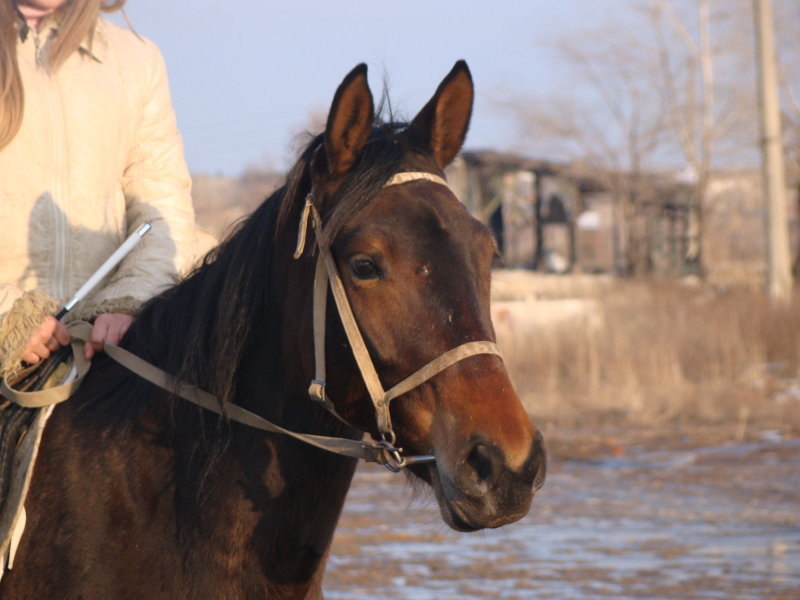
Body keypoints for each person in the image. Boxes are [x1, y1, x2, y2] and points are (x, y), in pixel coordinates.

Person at [0, 0, 196, 383]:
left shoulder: (136, 60)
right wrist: (9, 316)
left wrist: (132, 302)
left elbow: (162, 205)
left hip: (105, 352)